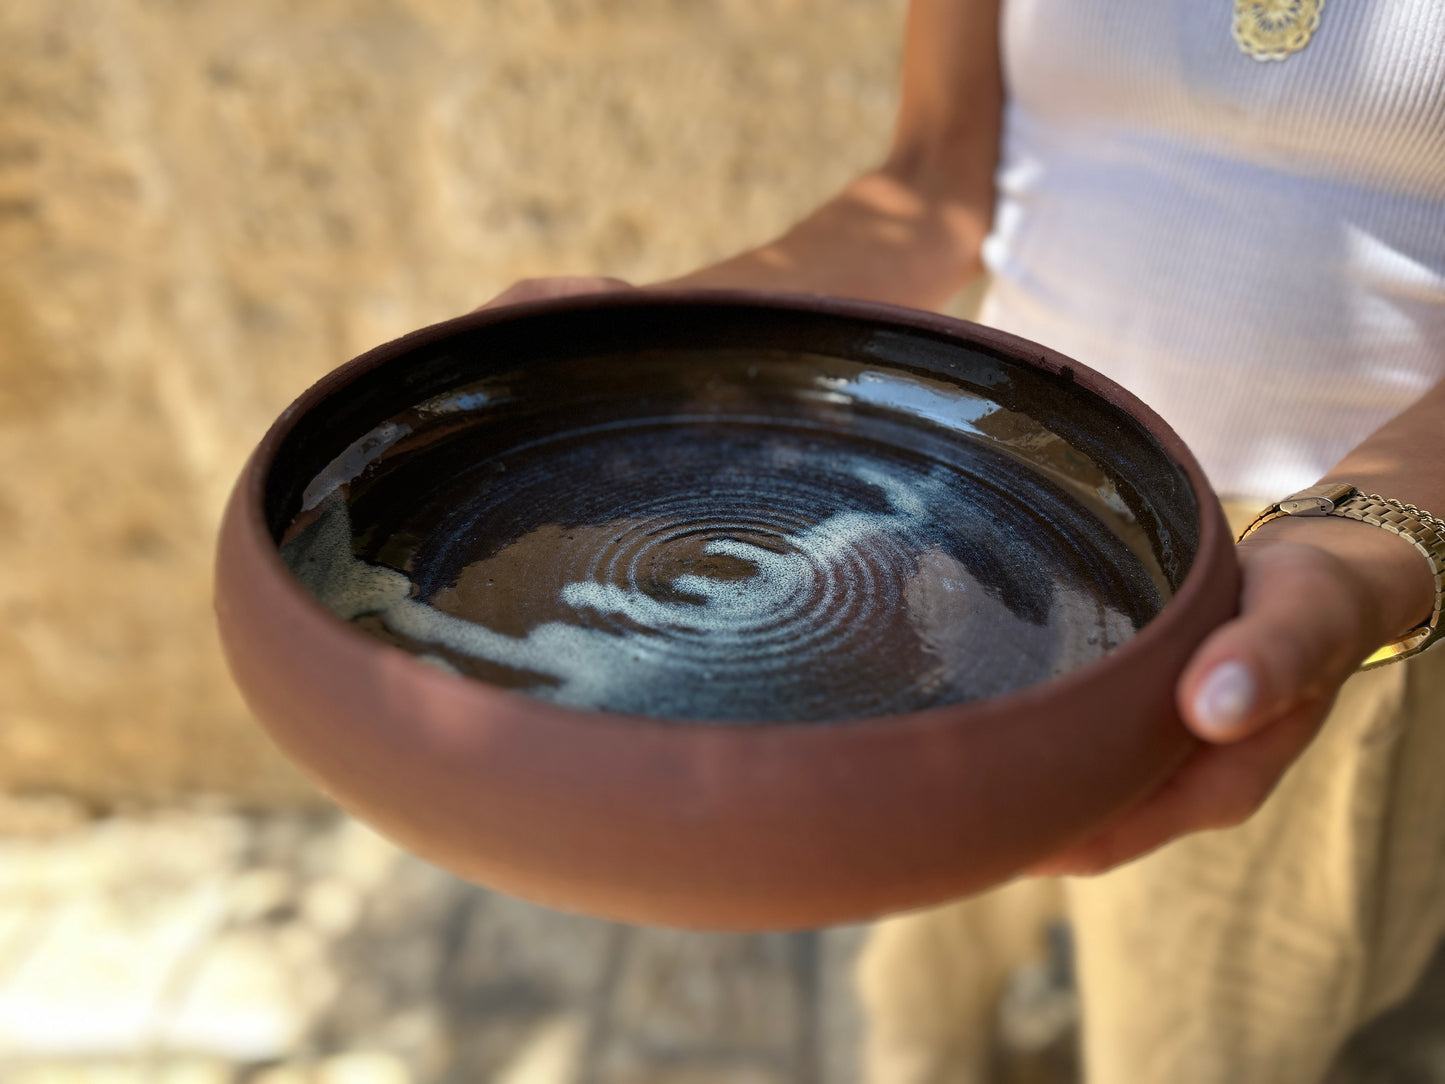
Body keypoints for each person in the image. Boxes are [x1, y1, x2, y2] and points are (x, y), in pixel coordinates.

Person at [485, 2, 1445, 1080]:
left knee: (1194, 1040)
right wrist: (666, 344)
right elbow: (934, 183)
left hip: (1315, 566)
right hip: (986, 511)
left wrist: (1365, 545)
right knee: (919, 978)